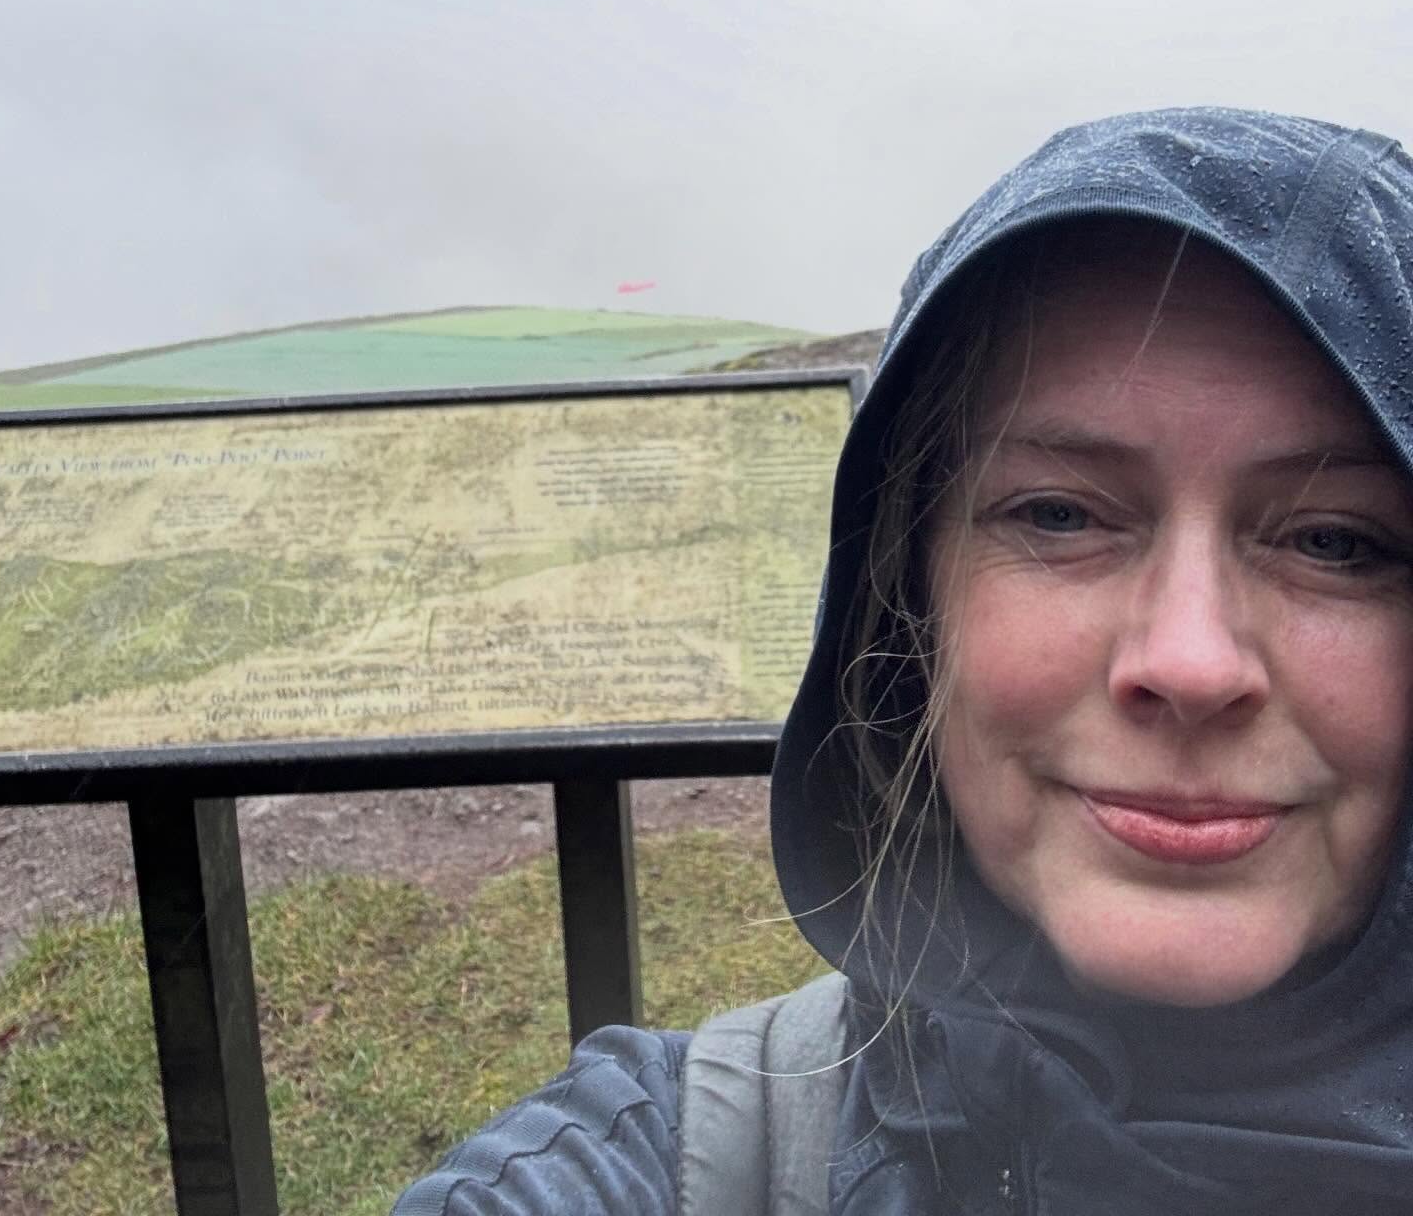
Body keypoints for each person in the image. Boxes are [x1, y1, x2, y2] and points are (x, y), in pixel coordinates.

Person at [393, 106, 1413, 1215]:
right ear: (907, 604)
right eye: (1062, 515)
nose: (1190, 661)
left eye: (1336, 542)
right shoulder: (672, 1168)